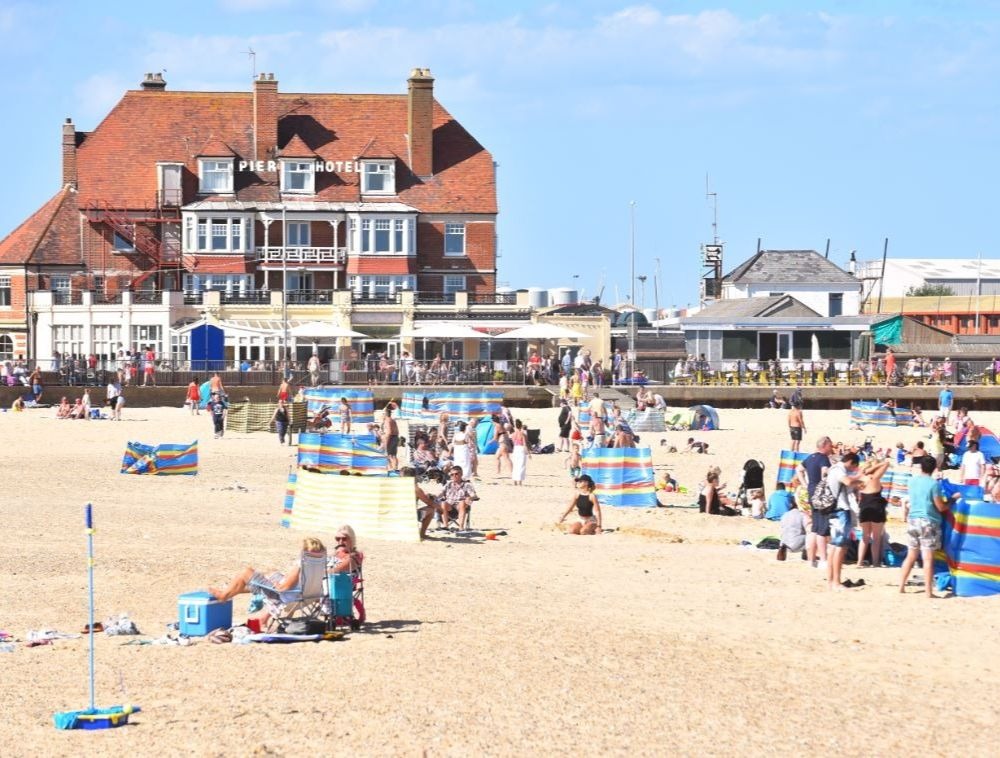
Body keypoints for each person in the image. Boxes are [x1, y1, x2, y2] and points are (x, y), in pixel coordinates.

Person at [209, 537, 327, 623]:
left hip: (285, 597)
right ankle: (234, 590)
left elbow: (285, 588)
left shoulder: (302, 563)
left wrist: (277, 585)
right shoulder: (320, 563)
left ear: (305, 551)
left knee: (246, 572)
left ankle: (224, 595)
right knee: (271, 572)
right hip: (308, 598)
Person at [898, 457, 949, 597]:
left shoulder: (912, 481)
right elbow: (940, 506)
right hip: (928, 521)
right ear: (934, 468)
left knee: (910, 556)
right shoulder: (933, 484)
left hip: (913, 519)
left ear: (921, 467)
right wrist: (952, 501)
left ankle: (901, 586)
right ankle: (928, 592)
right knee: (928, 558)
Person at [825, 452, 863, 591]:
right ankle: (836, 582)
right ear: (851, 462)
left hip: (834, 510)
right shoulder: (839, 469)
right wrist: (860, 478)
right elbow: (847, 481)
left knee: (834, 547)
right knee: (840, 548)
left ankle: (831, 581)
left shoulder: (833, 469)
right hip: (841, 510)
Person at [797, 436, 834, 569]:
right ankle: (823, 560)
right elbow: (824, 472)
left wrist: (805, 484)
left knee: (814, 527)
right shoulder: (823, 458)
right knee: (822, 528)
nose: (832, 448)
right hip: (821, 493)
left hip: (811, 491)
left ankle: (811, 560)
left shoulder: (810, 457)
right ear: (824, 445)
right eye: (830, 445)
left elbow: (798, 469)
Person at [857, 458, 891, 568]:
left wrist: (868, 468)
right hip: (876, 506)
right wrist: (875, 466)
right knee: (876, 538)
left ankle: (859, 562)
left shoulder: (861, 477)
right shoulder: (875, 477)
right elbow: (886, 463)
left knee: (864, 537)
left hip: (864, 506)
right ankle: (875, 562)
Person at [437, 465, 477, 531]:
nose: (454, 476)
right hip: (449, 506)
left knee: (462, 503)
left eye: (456, 474)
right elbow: (440, 493)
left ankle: (461, 528)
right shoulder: (448, 484)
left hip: (461, 507)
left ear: (461, 474)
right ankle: (445, 527)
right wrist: (434, 496)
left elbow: (474, 495)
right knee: (443, 503)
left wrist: (470, 498)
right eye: (452, 474)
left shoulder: (467, 484)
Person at [510, 418, 529, 485]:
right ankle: (520, 481)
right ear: (521, 426)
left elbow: (513, 442)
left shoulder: (513, 434)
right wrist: (528, 453)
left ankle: (514, 480)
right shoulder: (522, 434)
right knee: (521, 465)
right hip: (521, 449)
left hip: (515, 449)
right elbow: (524, 444)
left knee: (515, 465)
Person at [381, 404, 399, 470]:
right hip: (394, 437)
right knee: (391, 455)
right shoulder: (392, 420)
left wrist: (387, 441)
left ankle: (393, 468)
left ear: (385, 414)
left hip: (390, 438)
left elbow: (389, 432)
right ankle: (392, 468)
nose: (381, 416)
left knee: (391, 455)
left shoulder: (387, 420)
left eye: (382, 414)